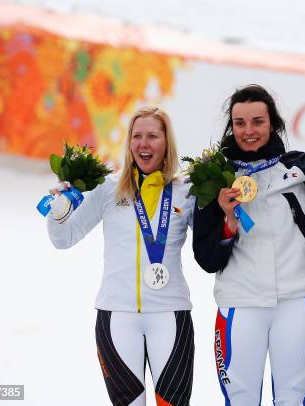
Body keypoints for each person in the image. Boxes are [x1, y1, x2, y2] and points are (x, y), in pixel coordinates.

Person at [46, 106, 195, 406]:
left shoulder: (186, 191)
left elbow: (210, 247)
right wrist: (58, 211)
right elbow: (64, 239)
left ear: (167, 143)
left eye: (153, 135)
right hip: (116, 316)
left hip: (170, 314)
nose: (144, 143)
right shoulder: (108, 189)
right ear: (129, 144)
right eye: (137, 136)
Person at [192, 85, 305, 405]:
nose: (248, 131)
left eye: (258, 122)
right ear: (231, 127)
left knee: (292, 400)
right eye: (239, 123)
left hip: (296, 303)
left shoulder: (301, 171)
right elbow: (207, 260)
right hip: (240, 305)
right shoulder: (215, 179)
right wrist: (227, 223)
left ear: (274, 124)